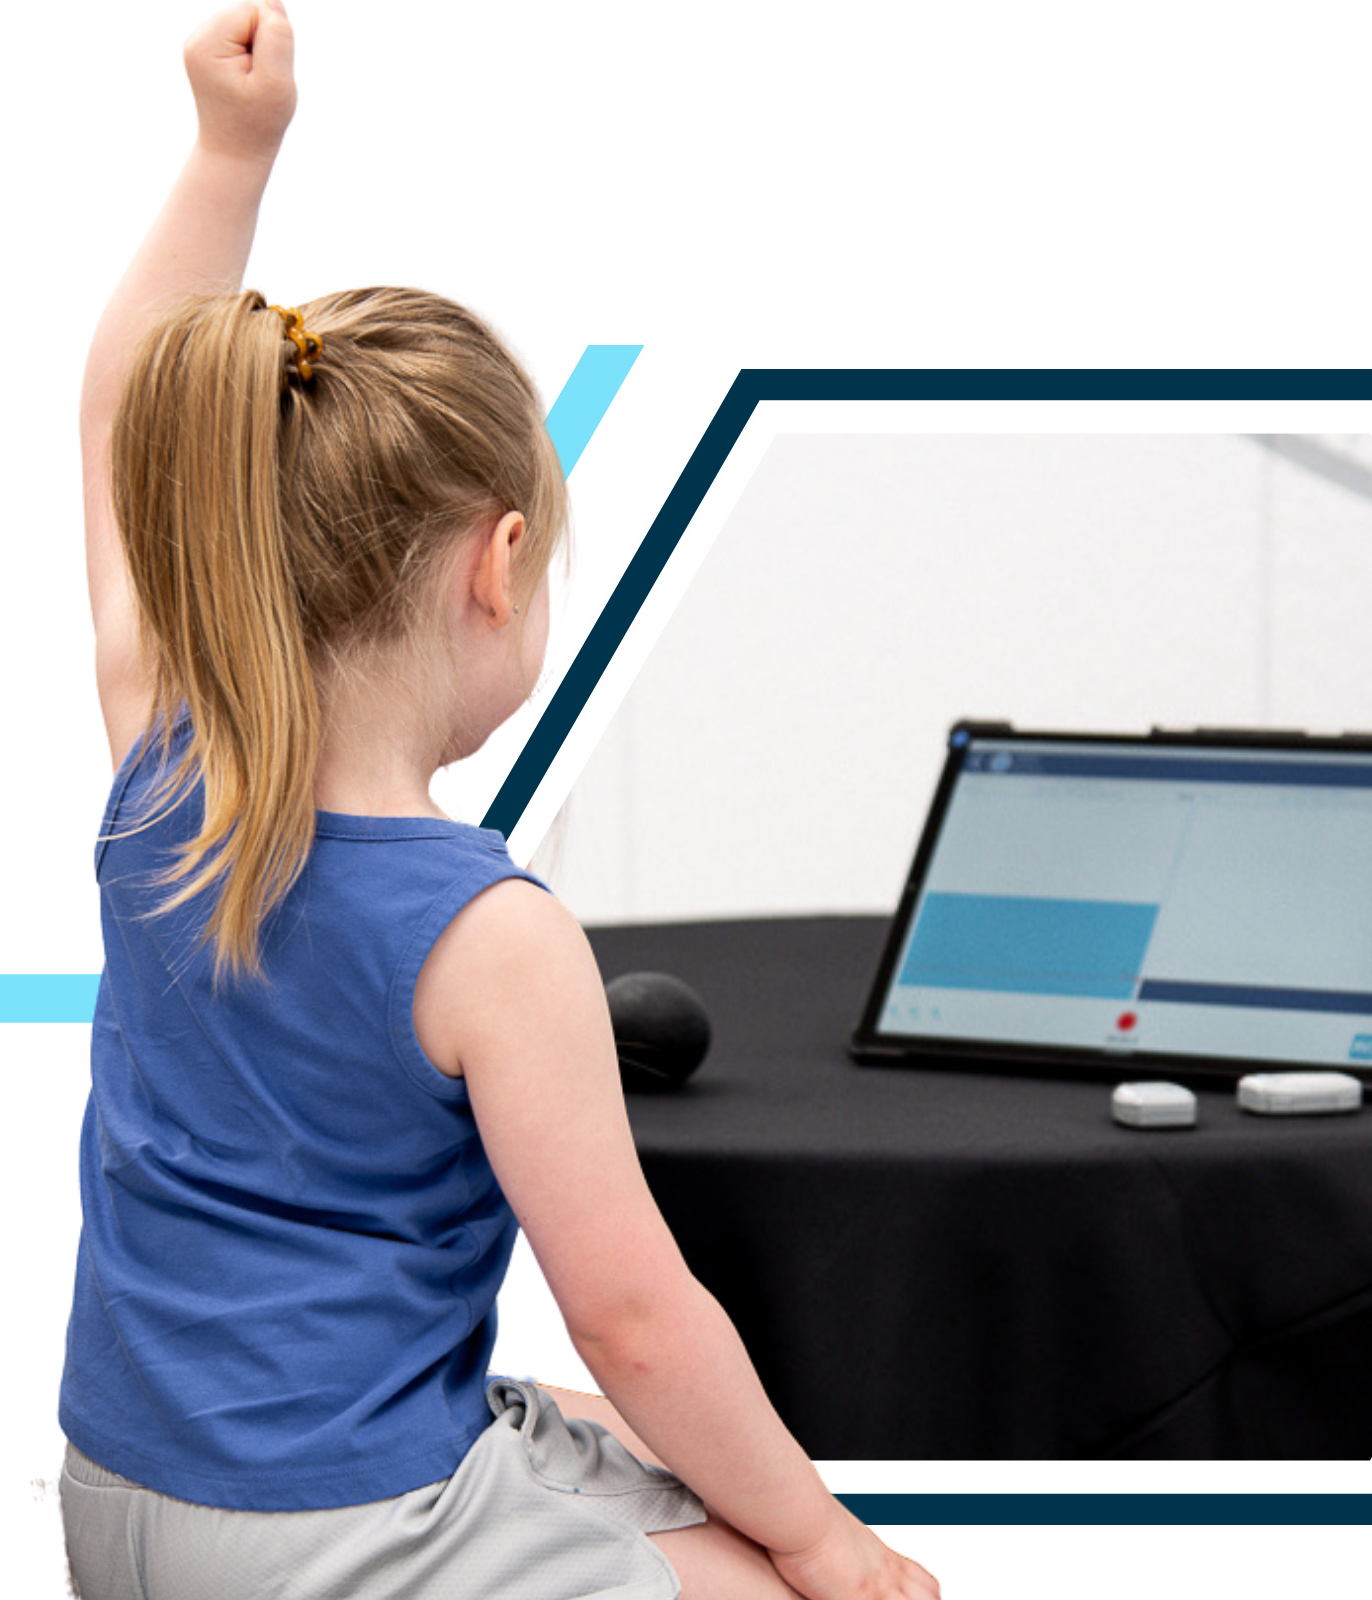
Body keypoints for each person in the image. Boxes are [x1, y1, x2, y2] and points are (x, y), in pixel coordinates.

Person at [58, 6, 941, 1598]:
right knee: (777, 1553)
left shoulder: (157, 775)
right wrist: (824, 1542)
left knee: (614, 1430)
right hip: (331, 1545)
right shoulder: (488, 935)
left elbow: (125, 416)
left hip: (119, 1502)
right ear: (500, 560)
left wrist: (226, 154)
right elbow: (635, 1307)